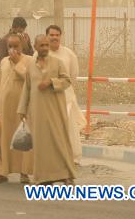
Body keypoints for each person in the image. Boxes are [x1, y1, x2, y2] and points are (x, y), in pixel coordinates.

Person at [18, 35, 75, 185]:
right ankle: (44, 178)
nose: (44, 48)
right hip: (37, 112)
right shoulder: (31, 65)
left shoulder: (58, 63)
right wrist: (22, 109)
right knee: (41, 146)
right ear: (35, 47)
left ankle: (66, 175)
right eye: (41, 45)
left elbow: (67, 81)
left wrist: (51, 82)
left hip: (55, 110)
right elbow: (27, 88)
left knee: (59, 142)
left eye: (46, 45)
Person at [0, 33, 34, 184]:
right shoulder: (4, 62)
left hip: (22, 109)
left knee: (23, 140)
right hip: (4, 108)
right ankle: (3, 173)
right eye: (10, 46)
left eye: (16, 46)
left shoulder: (29, 61)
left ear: (23, 46)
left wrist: (18, 63)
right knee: (4, 141)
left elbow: (30, 80)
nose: (13, 49)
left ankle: (24, 173)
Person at [43, 25, 84, 164]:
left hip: (66, 97)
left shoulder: (69, 54)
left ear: (61, 36)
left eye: (57, 35)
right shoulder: (40, 54)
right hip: (46, 98)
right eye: (51, 35)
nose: (54, 37)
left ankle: (73, 157)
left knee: (69, 128)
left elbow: (73, 76)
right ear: (46, 36)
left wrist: (61, 87)